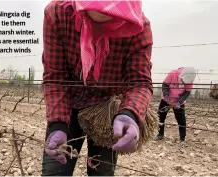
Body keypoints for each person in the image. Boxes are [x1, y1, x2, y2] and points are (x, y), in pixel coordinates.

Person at [41, 0, 153, 176]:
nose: (102, 25)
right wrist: (57, 124)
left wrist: (129, 113)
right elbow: (55, 77)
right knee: (55, 171)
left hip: (107, 110)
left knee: (102, 171)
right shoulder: (58, 14)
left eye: (113, 19)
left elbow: (139, 82)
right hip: (68, 104)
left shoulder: (139, 27)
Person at [155, 67, 196, 146]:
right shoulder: (173, 74)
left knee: (181, 120)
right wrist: (166, 95)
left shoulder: (190, 79)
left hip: (178, 102)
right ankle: (160, 135)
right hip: (166, 100)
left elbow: (187, 93)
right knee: (160, 117)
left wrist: (179, 102)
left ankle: (182, 140)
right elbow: (165, 85)